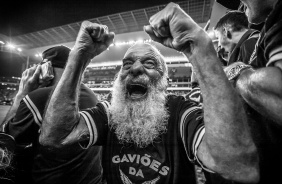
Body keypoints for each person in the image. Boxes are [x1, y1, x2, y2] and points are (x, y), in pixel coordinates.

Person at [39, 3, 259, 184]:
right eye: (127, 64)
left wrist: (198, 47)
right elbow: (55, 136)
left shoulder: (181, 112)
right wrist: (79, 56)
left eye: (149, 63)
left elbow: (237, 164)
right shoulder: (110, 111)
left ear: (164, 81)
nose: (135, 69)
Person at [4, 45, 103, 184]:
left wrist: (23, 92)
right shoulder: (93, 97)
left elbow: (6, 142)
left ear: (46, 67)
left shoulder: (39, 97)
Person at [222, 0, 282, 183]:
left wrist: (238, 70)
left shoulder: (248, 43)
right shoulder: (264, 32)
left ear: (226, 32)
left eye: (219, 39)